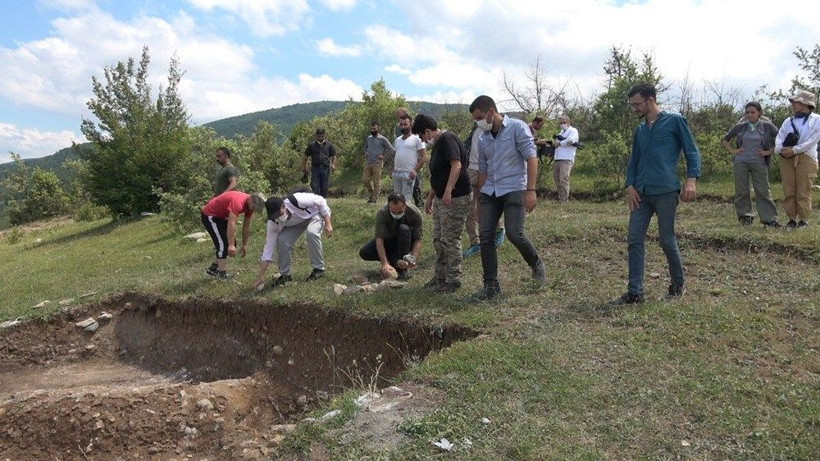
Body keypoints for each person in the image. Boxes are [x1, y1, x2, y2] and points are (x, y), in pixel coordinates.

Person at [612, 83, 701, 305]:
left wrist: (691, 179)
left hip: (665, 191)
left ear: (650, 100)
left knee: (666, 240)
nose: (634, 109)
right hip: (640, 193)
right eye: (632, 105)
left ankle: (678, 284)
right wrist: (629, 185)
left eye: (637, 104)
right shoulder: (640, 130)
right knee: (634, 239)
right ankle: (635, 292)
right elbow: (634, 160)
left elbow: (692, 151)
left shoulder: (675, 122)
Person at [468, 95, 547, 300]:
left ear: (491, 113)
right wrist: (478, 201)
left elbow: (531, 157)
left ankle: (536, 264)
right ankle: (491, 285)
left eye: (479, 117)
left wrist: (531, 190)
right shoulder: (483, 138)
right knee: (485, 236)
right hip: (490, 191)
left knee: (514, 233)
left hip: (514, 188)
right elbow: (483, 172)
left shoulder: (517, 128)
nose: (477, 122)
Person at [412, 114, 472, 293]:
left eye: (422, 137)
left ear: (428, 131)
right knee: (439, 239)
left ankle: (453, 279)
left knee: (450, 238)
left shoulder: (448, 138)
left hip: (456, 197)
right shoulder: (438, 145)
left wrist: (448, 191)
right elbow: (439, 176)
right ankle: (440, 277)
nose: (423, 141)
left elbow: (457, 165)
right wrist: (431, 197)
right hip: (441, 198)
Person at [254, 190, 334, 288]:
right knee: (282, 240)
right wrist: (261, 274)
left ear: (284, 206)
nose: (278, 217)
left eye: (280, 214)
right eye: (275, 216)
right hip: (297, 223)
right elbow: (269, 247)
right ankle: (285, 275)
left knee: (311, 232)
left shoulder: (296, 200)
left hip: (315, 214)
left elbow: (321, 201)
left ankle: (318, 269)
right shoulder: (273, 222)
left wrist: (328, 223)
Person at [720, 102, 780, 227]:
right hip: (741, 161)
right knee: (741, 190)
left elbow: (781, 138)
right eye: (747, 112)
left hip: (759, 161)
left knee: (763, 190)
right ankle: (745, 217)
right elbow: (725, 139)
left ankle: (769, 219)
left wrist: (769, 151)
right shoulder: (741, 126)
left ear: (759, 113)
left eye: (753, 112)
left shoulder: (768, 126)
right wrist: (733, 151)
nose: (750, 115)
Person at [774, 89, 820, 228]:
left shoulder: (817, 120)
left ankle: (803, 219)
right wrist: (780, 148)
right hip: (787, 156)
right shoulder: (788, 120)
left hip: (806, 157)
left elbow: (813, 139)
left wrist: (795, 150)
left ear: (806, 104)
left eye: (797, 102)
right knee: (788, 188)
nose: (793, 104)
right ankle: (792, 219)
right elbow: (780, 136)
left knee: (803, 189)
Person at [202, 191, 266, 280]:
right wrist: (231, 245)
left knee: (230, 244)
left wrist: (244, 245)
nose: (254, 210)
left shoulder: (249, 206)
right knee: (223, 245)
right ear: (251, 200)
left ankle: (213, 268)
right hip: (210, 215)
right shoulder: (238, 202)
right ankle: (222, 274)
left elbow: (246, 226)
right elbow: (231, 223)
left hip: (220, 216)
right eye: (254, 207)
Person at [359, 192, 422, 281]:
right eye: (393, 211)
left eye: (399, 211)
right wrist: (384, 263)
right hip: (389, 240)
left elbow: (418, 239)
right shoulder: (382, 213)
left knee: (403, 229)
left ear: (405, 206)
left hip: (406, 239)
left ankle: (401, 269)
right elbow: (379, 239)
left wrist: (413, 258)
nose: (396, 214)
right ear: (389, 207)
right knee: (364, 252)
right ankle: (394, 262)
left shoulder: (415, 213)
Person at [392, 114, 427, 205]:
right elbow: (396, 155)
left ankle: (407, 218)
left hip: (408, 174)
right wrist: (392, 169)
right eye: (401, 124)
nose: (403, 127)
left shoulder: (417, 139)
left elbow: (424, 157)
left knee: (406, 201)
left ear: (410, 124)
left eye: (405, 124)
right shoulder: (398, 140)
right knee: (396, 199)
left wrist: (415, 170)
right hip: (397, 173)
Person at [364, 121, 395, 203]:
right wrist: (366, 153)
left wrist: (384, 156)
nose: (372, 130)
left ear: (378, 129)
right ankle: (372, 194)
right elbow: (366, 147)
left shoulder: (382, 139)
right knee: (365, 180)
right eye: (371, 129)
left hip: (377, 163)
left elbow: (391, 149)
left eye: (374, 129)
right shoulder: (369, 138)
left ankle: (374, 199)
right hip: (368, 162)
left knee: (376, 181)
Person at [552, 115, 580, 202]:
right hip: (557, 158)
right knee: (557, 179)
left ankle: (564, 200)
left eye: (564, 122)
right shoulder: (560, 133)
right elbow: (556, 145)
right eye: (560, 123)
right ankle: (561, 197)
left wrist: (560, 143)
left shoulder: (573, 130)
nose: (562, 124)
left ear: (568, 122)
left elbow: (571, 140)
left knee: (564, 179)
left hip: (567, 159)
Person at [302, 128, 338, 197]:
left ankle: (322, 202)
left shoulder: (329, 145)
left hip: (325, 168)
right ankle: (316, 203)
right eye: (319, 136)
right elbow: (305, 156)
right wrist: (304, 166)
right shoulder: (311, 145)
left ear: (324, 135)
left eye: (322, 136)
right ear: (316, 136)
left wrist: (333, 165)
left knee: (324, 187)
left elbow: (334, 155)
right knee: (315, 186)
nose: (320, 137)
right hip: (315, 168)